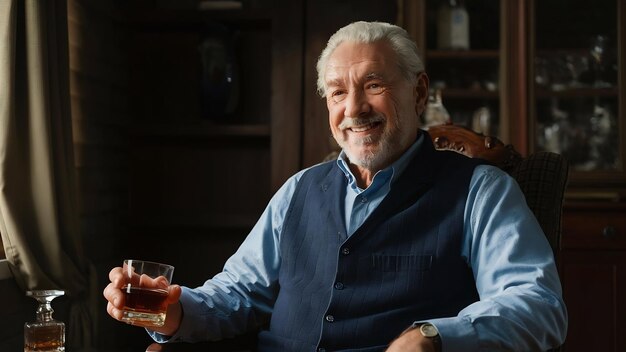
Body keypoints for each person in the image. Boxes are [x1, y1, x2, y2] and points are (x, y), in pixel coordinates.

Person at [104, 21, 567, 351]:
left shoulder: (481, 192)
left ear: (420, 92)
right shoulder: (298, 190)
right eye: (338, 92)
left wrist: (434, 336)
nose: (355, 108)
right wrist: (171, 310)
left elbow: (537, 304)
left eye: (373, 85)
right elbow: (238, 295)